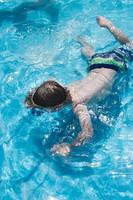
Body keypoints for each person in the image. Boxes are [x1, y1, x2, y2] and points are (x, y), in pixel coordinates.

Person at [25, 16, 133, 156]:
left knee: (129, 44)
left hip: (114, 64)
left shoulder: (79, 106)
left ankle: (109, 25)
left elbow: (88, 132)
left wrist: (70, 145)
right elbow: (48, 87)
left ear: (57, 107)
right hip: (98, 62)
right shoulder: (65, 87)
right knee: (90, 53)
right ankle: (86, 42)